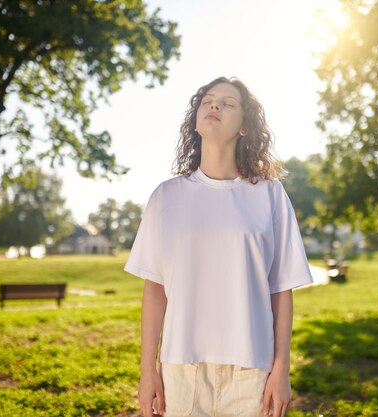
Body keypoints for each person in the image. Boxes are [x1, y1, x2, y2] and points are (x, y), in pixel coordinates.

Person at [124, 76, 313, 417]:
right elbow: (155, 288)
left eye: (228, 103)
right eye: (208, 100)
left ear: (244, 127)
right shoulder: (166, 197)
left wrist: (281, 369)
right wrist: (147, 369)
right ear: (195, 120)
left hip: (252, 374)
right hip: (180, 373)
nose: (215, 106)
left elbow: (281, 289)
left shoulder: (270, 195)